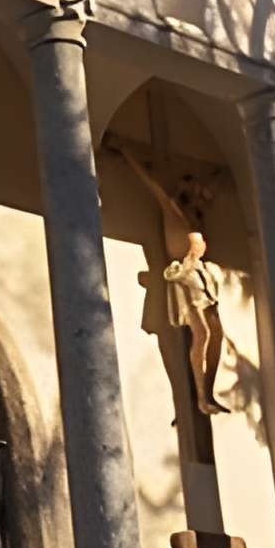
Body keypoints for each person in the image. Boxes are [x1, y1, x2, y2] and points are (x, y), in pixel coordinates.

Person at [105, 139, 224, 416]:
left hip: (202, 278)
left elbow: (209, 190)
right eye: (189, 187)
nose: (194, 191)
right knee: (203, 334)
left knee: (215, 333)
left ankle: (208, 390)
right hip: (185, 279)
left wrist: (218, 175)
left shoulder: (195, 217)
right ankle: (202, 397)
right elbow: (153, 186)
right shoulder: (174, 213)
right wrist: (127, 154)